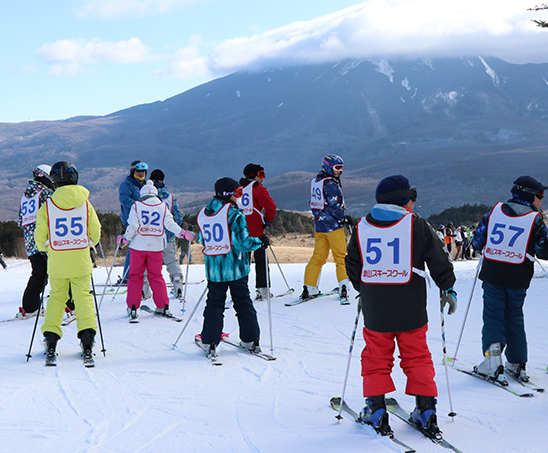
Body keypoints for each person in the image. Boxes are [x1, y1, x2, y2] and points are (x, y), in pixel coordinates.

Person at [345, 174, 457, 439]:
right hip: (411, 306)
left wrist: (364, 289)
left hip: (376, 307)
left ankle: (376, 409)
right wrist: (447, 287)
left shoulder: (362, 226)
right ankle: (426, 411)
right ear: (406, 201)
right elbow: (438, 258)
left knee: (376, 357)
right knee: (417, 355)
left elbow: (352, 263)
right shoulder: (416, 225)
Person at [471, 176, 548, 384]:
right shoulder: (535, 219)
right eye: (540, 195)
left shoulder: (495, 211)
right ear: (528, 195)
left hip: (493, 273)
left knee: (493, 316)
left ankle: (492, 363)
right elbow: (544, 249)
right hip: (518, 276)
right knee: (514, 316)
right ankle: (516, 362)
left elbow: (477, 241)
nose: (542, 199)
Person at [35, 161, 101, 366]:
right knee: (83, 298)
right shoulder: (85, 204)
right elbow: (95, 232)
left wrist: (50, 248)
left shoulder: (48, 205)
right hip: (80, 261)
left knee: (56, 298)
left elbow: (40, 238)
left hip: (57, 262)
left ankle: (51, 339)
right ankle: (87, 339)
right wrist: (86, 245)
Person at [196, 177, 269, 357]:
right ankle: (250, 340)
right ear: (230, 194)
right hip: (236, 268)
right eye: (238, 193)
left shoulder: (204, 213)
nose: (240, 196)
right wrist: (260, 241)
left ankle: (209, 341)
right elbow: (242, 243)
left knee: (214, 304)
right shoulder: (235, 214)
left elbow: (201, 239)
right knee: (243, 302)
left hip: (214, 269)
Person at [121, 180, 195, 323]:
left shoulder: (137, 205)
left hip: (138, 247)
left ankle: (133, 307)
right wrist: (183, 233)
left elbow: (133, 225)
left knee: (136, 276)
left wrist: (125, 238)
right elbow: (170, 224)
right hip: (156, 247)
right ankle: (163, 306)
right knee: (156, 276)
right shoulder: (162, 206)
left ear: (142, 194)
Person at [300, 154, 350, 302]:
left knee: (318, 256)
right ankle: (344, 287)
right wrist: (343, 218)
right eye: (336, 168)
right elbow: (335, 205)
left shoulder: (316, 181)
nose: (339, 171)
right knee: (340, 257)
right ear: (328, 167)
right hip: (333, 226)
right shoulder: (331, 184)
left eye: (341, 168)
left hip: (320, 226)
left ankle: (309, 287)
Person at [16, 165, 55, 318]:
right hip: (46, 240)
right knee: (59, 272)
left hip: (30, 243)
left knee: (38, 275)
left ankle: (30, 307)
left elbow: (20, 221)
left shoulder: (26, 196)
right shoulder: (47, 193)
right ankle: (69, 304)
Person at [239, 163, 277, 301]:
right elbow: (271, 206)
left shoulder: (237, 189)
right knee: (261, 260)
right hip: (256, 230)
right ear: (253, 176)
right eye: (261, 175)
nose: (263, 178)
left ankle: (239, 291)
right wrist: (267, 220)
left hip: (240, 232)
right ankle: (263, 291)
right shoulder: (257, 189)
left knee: (242, 261)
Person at [150, 169, 186, 299]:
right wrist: (173, 231)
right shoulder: (170, 197)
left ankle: (144, 290)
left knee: (149, 264)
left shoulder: (147, 198)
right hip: (168, 237)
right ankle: (177, 284)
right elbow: (177, 217)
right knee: (172, 261)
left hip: (150, 237)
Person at [119, 160, 148, 284]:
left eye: (143, 171)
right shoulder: (127, 184)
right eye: (138, 171)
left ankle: (139, 274)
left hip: (144, 221)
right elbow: (124, 199)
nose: (141, 174)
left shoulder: (145, 185)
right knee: (133, 248)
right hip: (131, 221)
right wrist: (140, 206)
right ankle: (127, 276)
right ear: (132, 172)